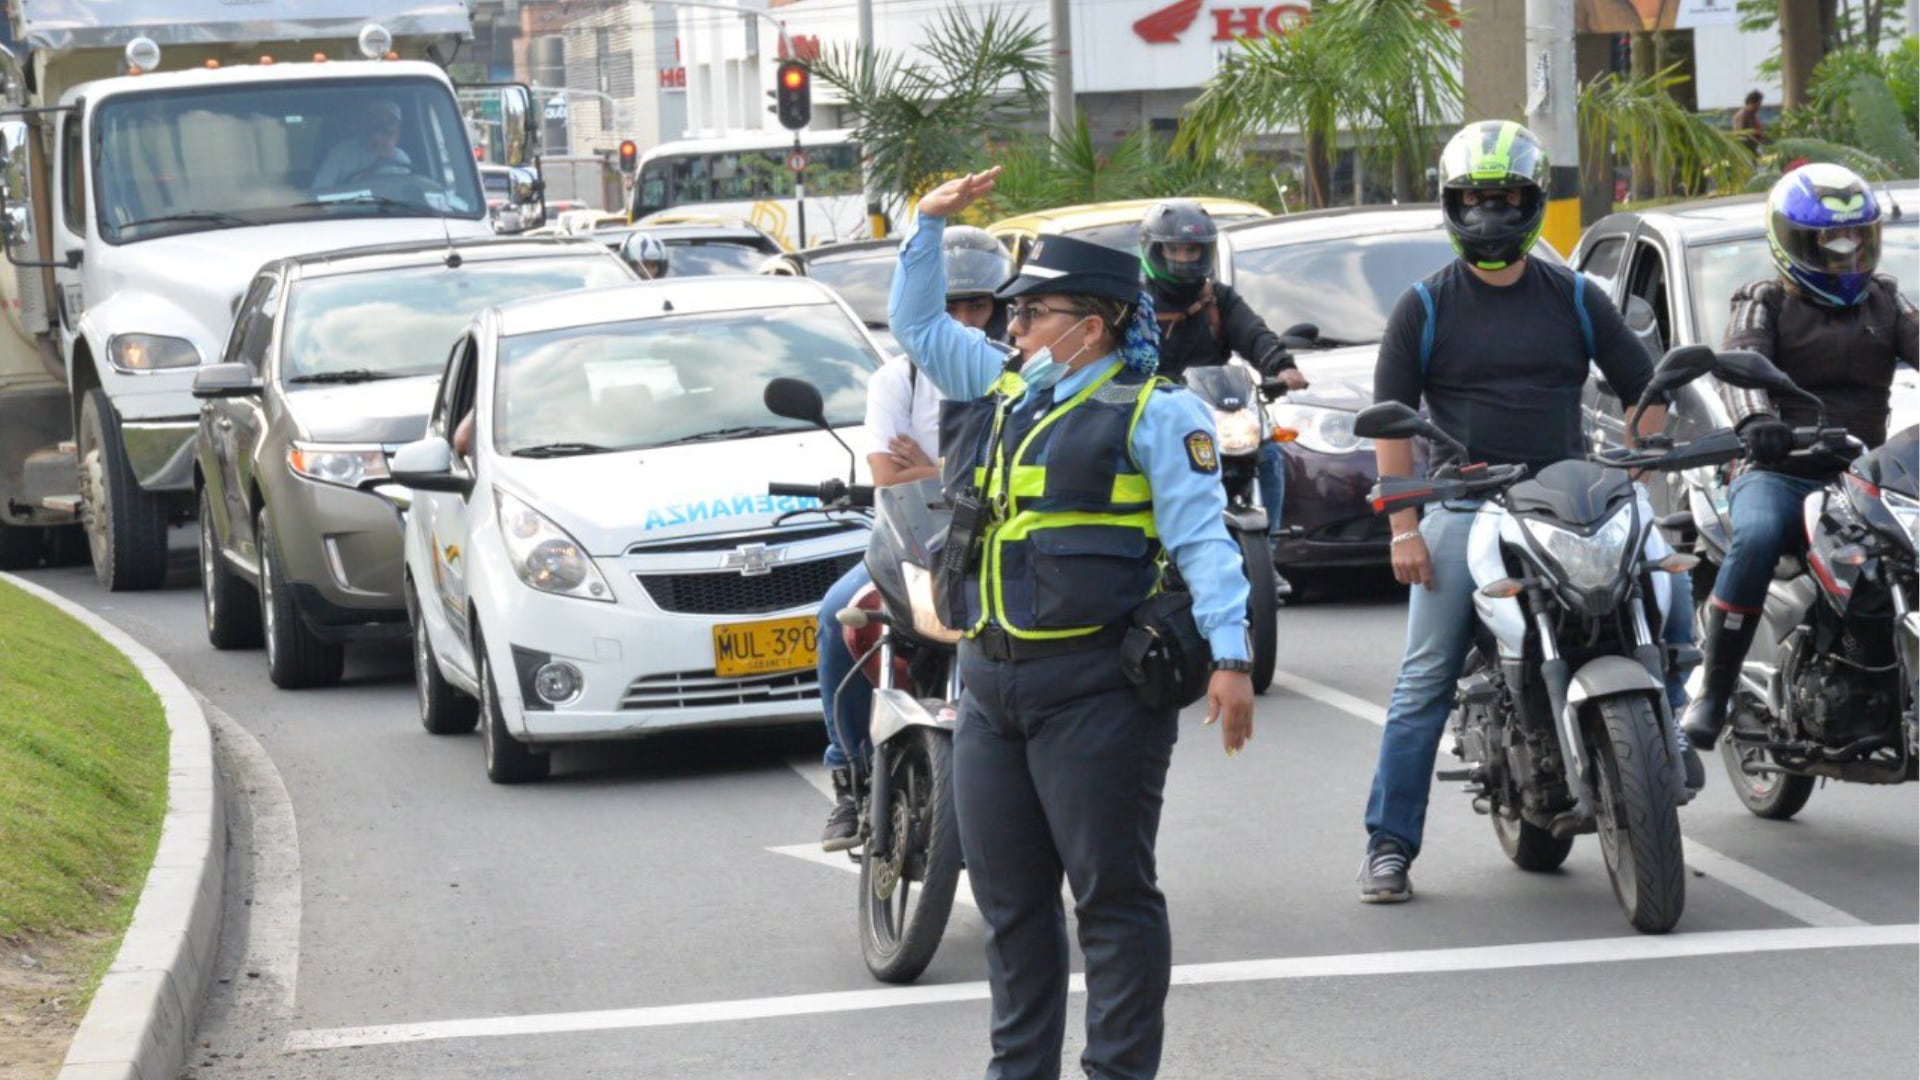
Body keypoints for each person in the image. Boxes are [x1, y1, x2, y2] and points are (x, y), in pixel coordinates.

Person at [889, 166, 1254, 1080]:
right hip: (990, 688)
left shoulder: (1156, 415)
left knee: (1113, 901)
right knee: (1010, 909)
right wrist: (926, 229)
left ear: (1089, 327)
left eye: (1030, 313)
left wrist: (1234, 658)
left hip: (1098, 694)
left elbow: (1208, 545)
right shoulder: (1012, 386)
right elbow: (920, 330)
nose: (1009, 329)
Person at [1360, 120, 1692, 905]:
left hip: (1574, 491)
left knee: (1671, 597)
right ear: (1450, 205)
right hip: (1464, 503)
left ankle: (1669, 726)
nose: (1489, 215)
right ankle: (1388, 845)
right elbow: (1391, 421)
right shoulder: (1423, 308)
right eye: (1473, 200)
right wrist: (1405, 527)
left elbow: (1643, 389)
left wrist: (1645, 459)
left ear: (1533, 201)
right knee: (1423, 677)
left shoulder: (1578, 297)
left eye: (1505, 198)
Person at [1683, 163, 1919, 747]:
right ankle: (1714, 690)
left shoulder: (1887, 301)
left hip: (1862, 472)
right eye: (1829, 244)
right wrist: (1758, 420)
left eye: (1856, 240)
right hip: (1780, 470)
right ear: (1790, 243)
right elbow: (1737, 366)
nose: (1846, 256)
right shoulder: (1762, 300)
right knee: (1759, 535)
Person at [818, 225, 1012, 850]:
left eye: (975, 305)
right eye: (947, 307)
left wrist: (928, 466)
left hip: (1000, 547)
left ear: (1001, 308)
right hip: (913, 544)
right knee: (831, 617)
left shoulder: (1018, 377)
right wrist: (953, 471)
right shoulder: (894, 381)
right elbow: (884, 475)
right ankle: (848, 776)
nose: (962, 320)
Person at [1140, 199, 1308, 585]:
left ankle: (1266, 553)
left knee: (1267, 454)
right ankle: (1145, 552)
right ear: (1155, 250)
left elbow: (1254, 333)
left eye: (1192, 250)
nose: (1183, 258)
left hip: (1214, 413)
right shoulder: (1137, 304)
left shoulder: (1218, 299)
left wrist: (1281, 366)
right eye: (1175, 249)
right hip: (1155, 414)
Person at [314, 100, 412, 188]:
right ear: (367, 125)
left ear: (398, 131)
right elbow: (320, 190)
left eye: (389, 124)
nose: (383, 130)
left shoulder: (402, 159)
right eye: (378, 125)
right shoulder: (342, 153)